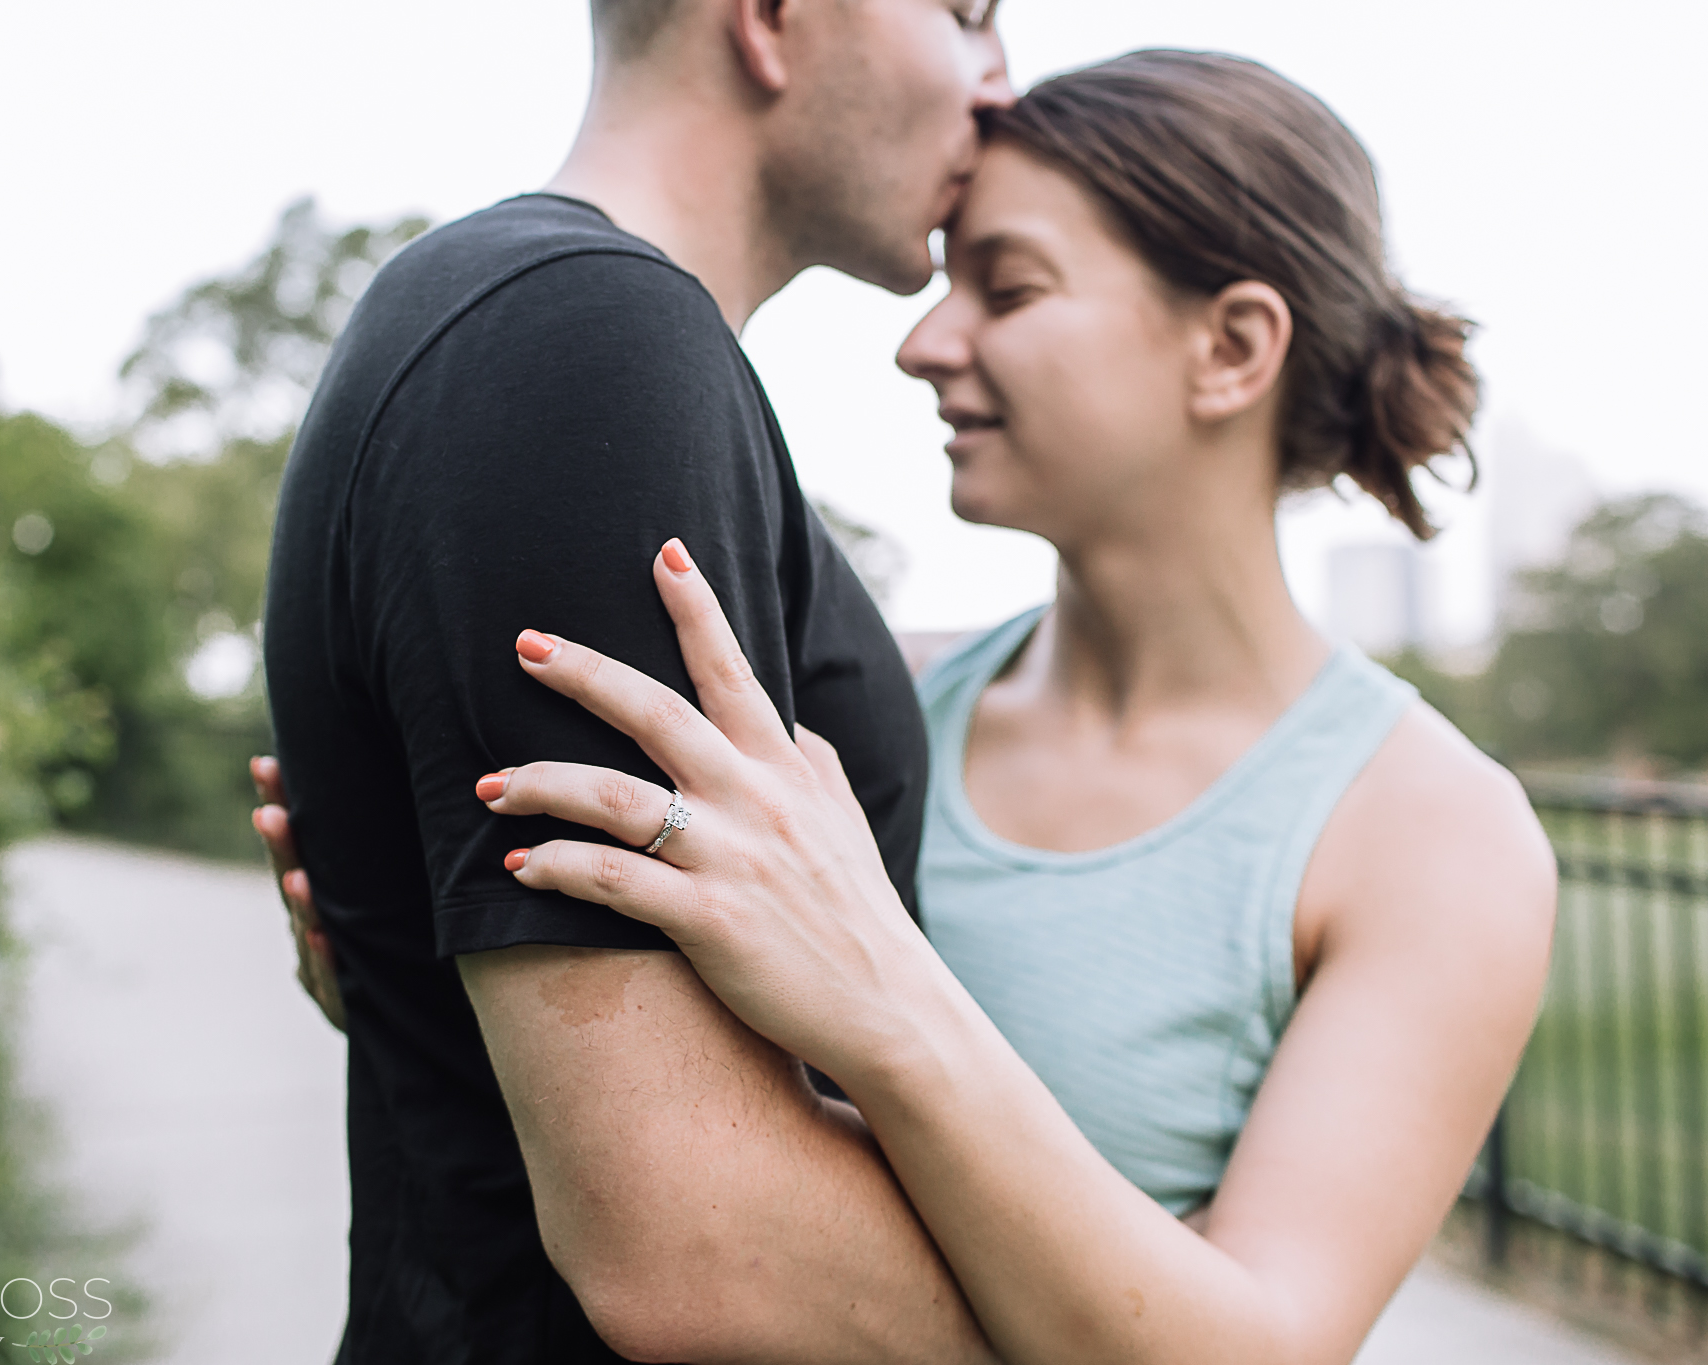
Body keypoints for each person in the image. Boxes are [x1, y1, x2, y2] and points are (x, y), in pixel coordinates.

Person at [376, 51, 1557, 1365]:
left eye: (1009, 286)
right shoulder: (870, 724)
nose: (924, 340)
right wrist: (418, 980)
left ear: (1229, 349)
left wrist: (885, 996)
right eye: (944, 278)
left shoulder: (1436, 834)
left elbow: (1269, 1343)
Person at [257, 0, 1013, 1360]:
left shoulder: (550, 326)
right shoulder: (584, 337)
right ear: (774, 20)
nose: (999, 82)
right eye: (968, 12)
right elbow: (704, 1252)